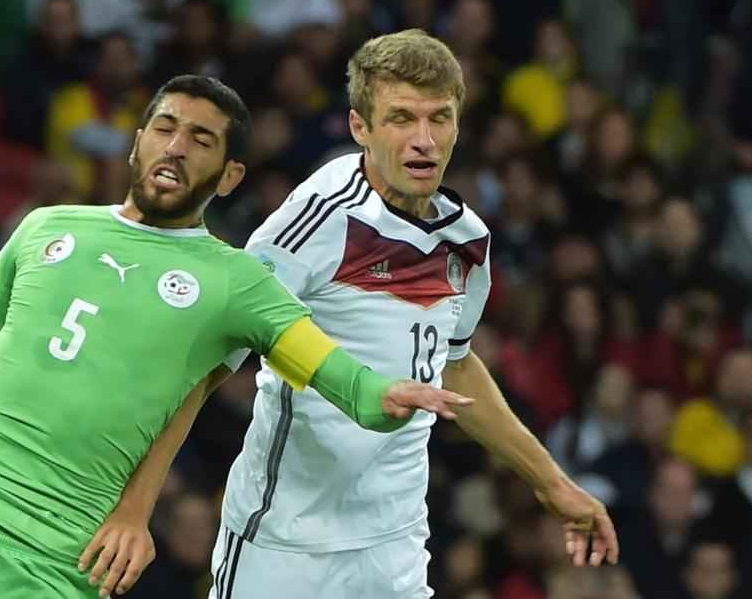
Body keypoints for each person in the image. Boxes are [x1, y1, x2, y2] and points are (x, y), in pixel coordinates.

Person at [0, 75, 471, 599]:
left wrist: (381, 394)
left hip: (48, 560)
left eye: (202, 140)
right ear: (137, 141)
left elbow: (327, 369)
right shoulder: (44, 227)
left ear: (231, 175)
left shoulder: (234, 282)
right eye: (165, 128)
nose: (177, 146)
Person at [106, 31, 619, 597]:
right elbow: (204, 364)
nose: (423, 140)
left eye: (439, 119)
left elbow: (452, 364)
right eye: (400, 118)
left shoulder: (467, 241)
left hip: (393, 543)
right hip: (283, 542)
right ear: (360, 128)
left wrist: (552, 486)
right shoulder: (316, 221)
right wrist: (135, 507)